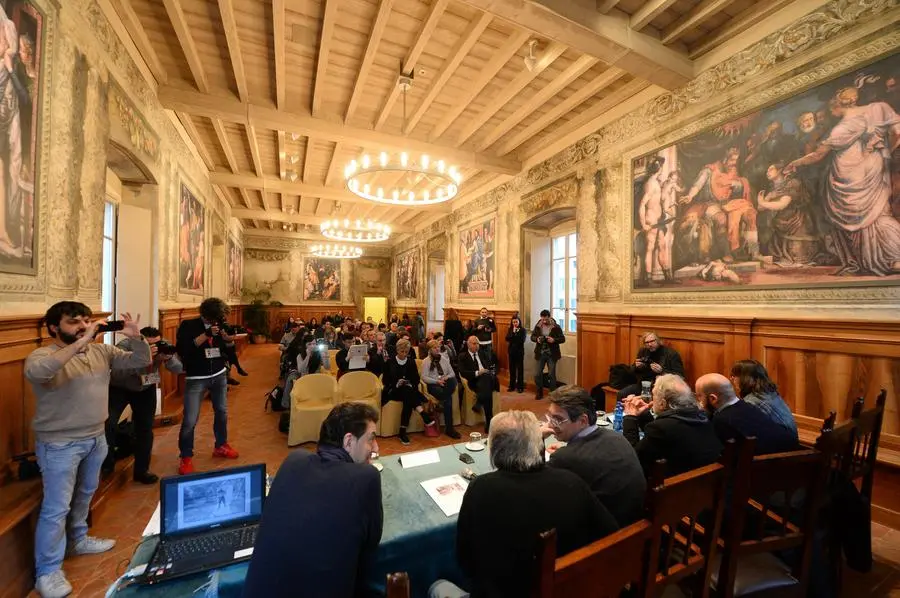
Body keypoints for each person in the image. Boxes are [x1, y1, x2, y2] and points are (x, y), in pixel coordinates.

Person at [24, 302, 151, 598]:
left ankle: (78, 539)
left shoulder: (101, 351)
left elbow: (138, 363)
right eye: (73, 322)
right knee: (56, 508)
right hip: (59, 443)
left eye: (85, 320)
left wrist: (136, 337)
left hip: (96, 437)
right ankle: (48, 571)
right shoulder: (42, 355)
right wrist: (81, 342)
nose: (82, 326)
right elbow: (39, 373)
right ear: (54, 327)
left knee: (85, 493)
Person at [431, 411, 618, 598]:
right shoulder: (572, 481)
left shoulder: (481, 488)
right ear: (539, 445)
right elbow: (610, 532)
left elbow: (465, 560)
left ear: (494, 449)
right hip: (568, 588)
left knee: (437, 586)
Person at [243, 402, 383, 598]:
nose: (376, 447)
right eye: (371, 439)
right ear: (349, 441)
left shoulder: (293, 460)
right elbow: (371, 542)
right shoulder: (366, 476)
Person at [541, 386, 646, 527]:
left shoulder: (565, 458)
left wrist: (537, 440)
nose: (550, 424)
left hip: (606, 540)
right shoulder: (615, 436)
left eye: (558, 419)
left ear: (583, 421)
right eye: (550, 417)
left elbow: (537, 483)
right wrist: (569, 449)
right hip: (635, 528)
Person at [105, 326, 183, 484]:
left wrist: (167, 358)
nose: (154, 346)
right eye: (149, 344)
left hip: (146, 388)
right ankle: (107, 463)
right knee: (108, 424)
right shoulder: (124, 346)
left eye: (157, 343)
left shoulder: (163, 344)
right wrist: (142, 358)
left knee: (145, 429)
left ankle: (142, 471)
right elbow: (117, 372)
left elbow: (178, 369)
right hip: (119, 388)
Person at [175, 297, 239, 476]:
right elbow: (183, 350)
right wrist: (206, 335)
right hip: (197, 377)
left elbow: (227, 351)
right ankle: (186, 456)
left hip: (218, 375)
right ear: (206, 315)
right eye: (216, 318)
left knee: (222, 412)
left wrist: (228, 340)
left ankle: (221, 445)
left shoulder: (219, 325)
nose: (219, 321)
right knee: (190, 419)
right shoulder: (188, 326)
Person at [622, 374, 722, 477]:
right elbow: (658, 438)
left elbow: (633, 458)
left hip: (672, 489)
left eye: (654, 395)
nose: (651, 400)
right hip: (703, 484)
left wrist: (630, 417)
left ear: (663, 403)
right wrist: (643, 414)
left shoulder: (662, 428)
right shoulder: (702, 417)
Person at [695, 373, 799, 455]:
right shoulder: (748, 406)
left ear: (713, 398)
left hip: (766, 472)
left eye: (699, 396)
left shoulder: (721, 420)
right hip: (793, 462)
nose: (698, 401)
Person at [382, 339, 438, 444]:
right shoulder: (390, 362)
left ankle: (402, 432)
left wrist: (408, 382)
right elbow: (385, 380)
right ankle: (423, 415)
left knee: (407, 394)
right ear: (397, 350)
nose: (403, 354)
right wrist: (396, 383)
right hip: (394, 391)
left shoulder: (411, 362)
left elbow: (416, 380)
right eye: (401, 351)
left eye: (406, 352)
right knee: (408, 393)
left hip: (407, 391)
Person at [730, 359, 798, 438]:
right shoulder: (769, 393)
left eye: (734, 376)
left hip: (784, 447)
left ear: (747, 378)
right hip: (789, 442)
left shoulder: (752, 402)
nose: (731, 379)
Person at [617, 331, 685, 400]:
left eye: (652, 341)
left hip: (662, 389)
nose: (649, 344)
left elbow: (680, 377)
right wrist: (637, 367)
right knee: (621, 394)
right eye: (647, 342)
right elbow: (632, 371)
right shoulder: (643, 351)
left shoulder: (671, 354)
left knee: (647, 399)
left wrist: (662, 371)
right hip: (643, 386)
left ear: (658, 340)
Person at [458, 335, 497, 433]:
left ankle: (479, 402)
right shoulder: (463, 356)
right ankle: (489, 420)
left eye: (478, 344)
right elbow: (462, 372)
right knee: (486, 388)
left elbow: (490, 365)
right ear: (468, 344)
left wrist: (488, 371)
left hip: (488, 378)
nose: (477, 346)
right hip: (474, 381)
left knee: (486, 377)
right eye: (474, 344)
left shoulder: (482, 353)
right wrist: (477, 373)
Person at [421, 339, 460, 439]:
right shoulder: (426, 361)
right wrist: (437, 381)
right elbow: (424, 377)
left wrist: (445, 378)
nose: (437, 349)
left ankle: (441, 402)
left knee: (453, 380)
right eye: (434, 348)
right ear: (430, 350)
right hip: (434, 385)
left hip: (445, 383)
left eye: (438, 347)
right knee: (448, 399)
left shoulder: (444, 359)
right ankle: (450, 429)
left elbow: (452, 373)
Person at [531, 310, 565, 400]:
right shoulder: (538, 326)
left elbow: (562, 339)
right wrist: (537, 339)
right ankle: (539, 392)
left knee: (551, 375)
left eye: (546, 319)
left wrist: (554, 340)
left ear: (549, 317)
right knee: (537, 374)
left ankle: (553, 395)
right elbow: (532, 337)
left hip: (552, 354)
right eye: (542, 319)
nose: (544, 321)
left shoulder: (556, 327)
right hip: (540, 353)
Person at [505, 317, 526, 393]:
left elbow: (522, 340)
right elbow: (507, 338)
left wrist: (515, 334)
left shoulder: (523, 330)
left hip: (519, 352)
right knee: (512, 370)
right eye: (513, 322)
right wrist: (513, 333)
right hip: (511, 352)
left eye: (516, 322)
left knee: (520, 370)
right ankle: (512, 386)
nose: (515, 323)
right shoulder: (510, 329)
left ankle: (520, 387)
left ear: (519, 322)